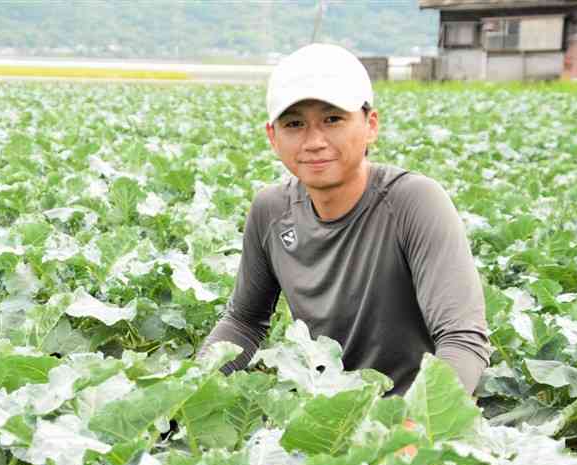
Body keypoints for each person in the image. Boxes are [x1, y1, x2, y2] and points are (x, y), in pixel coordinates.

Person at [201, 43, 489, 396]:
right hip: (326, 415)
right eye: (294, 124)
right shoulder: (271, 211)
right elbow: (243, 323)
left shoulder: (414, 202)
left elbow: (463, 338)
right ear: (273, 137)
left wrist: (420, 425)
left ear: (370, 125)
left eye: (332, 119)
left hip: (415, 419)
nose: (314, 141)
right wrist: (184, 391)